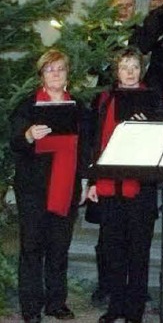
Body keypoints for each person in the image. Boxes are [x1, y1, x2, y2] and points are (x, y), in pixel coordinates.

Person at [10, 50, 85, 323]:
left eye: (60, 69)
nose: (55, 74)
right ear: (41, 75)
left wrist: (87, 179)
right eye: (49, 69)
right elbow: (14, 142)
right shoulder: (28, 106)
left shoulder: (78, 107)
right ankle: (31, 309)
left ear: (67, 74)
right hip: (33, 189)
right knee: (31, 249)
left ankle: (56, 303)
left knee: (58, 248)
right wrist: (28, 135)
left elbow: (86, 146)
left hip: (66, 186)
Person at [87, 48, 158, 323]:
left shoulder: (152, 99)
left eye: (135, 67)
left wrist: (148, 126)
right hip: (109, 184)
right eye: (124, 67)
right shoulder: (104, 99)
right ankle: (115, 306)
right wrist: (93, 179)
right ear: (116, 71)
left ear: (141, 71)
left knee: (138, 252)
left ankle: (134, 311)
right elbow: (96, 142)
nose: (130, 72)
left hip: (140, 187)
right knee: (113, 251)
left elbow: (160, 142)